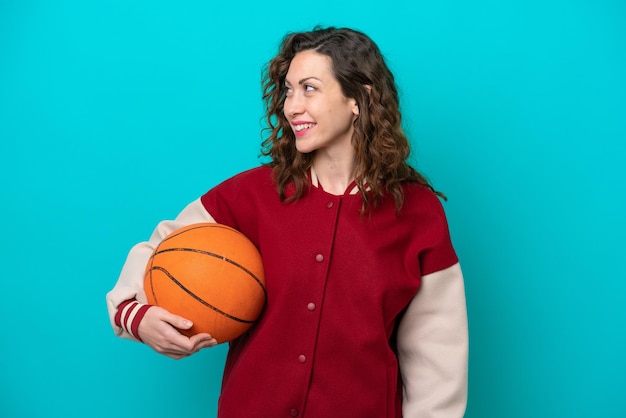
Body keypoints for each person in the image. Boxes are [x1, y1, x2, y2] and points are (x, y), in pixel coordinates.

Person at [106, 26, 468, 417]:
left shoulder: (417, 212)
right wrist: (136, 317)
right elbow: (159, 249)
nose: (291, 107)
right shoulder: (251, 195)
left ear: (359, 99)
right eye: (288, 90)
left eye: (309, 88)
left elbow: (438, 361)